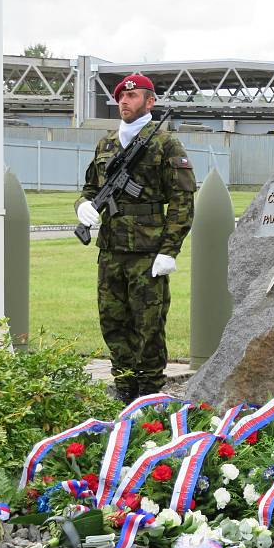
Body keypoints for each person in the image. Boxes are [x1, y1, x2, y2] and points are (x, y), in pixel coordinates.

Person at [74, 74, 196, 403]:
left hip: (148, 252)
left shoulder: (166, 144)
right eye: (121, 98)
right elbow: (90, 190)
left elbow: (183, 201)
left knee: (148, 327)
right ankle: (124, 390)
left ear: (150, 102)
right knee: (113, 323)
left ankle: (150, 396)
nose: (124, 102)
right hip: (111, 250)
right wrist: (83, 206)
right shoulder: (106, 145)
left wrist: (169, 250)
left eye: (133, 96)